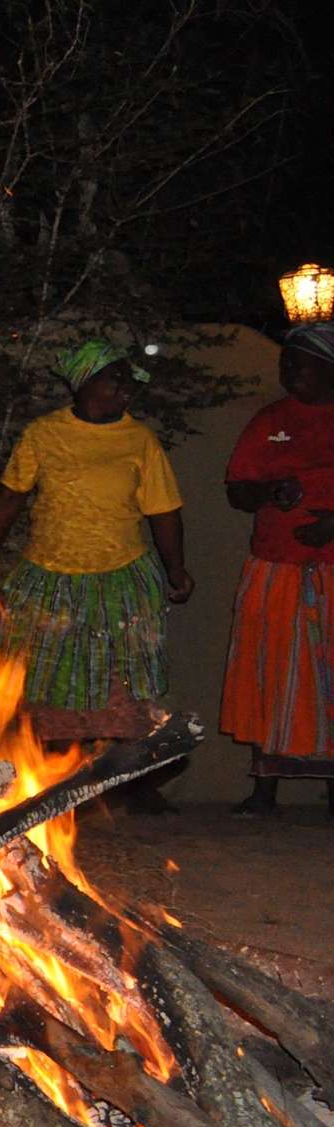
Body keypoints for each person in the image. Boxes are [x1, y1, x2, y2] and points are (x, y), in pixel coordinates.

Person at [0, 341, 193, 770]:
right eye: (115, 379)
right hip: (49, 578)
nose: (126, 388)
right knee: (48, 681)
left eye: (128, 381)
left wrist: (176, 571)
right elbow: (10, 500)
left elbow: (164, 512)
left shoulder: (139, 440)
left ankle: (123, 778)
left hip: (121, 578)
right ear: (85, 382)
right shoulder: (43, 434)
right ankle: (51, 774)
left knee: (120, 684)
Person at [221, 324, 334, 818]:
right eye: (285, 363)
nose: (289, 372)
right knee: (269, 674)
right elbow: (237, 490)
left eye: (300, 363)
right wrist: (271, 492)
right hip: (276, 566)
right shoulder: (270, 420)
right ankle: (264, 789)